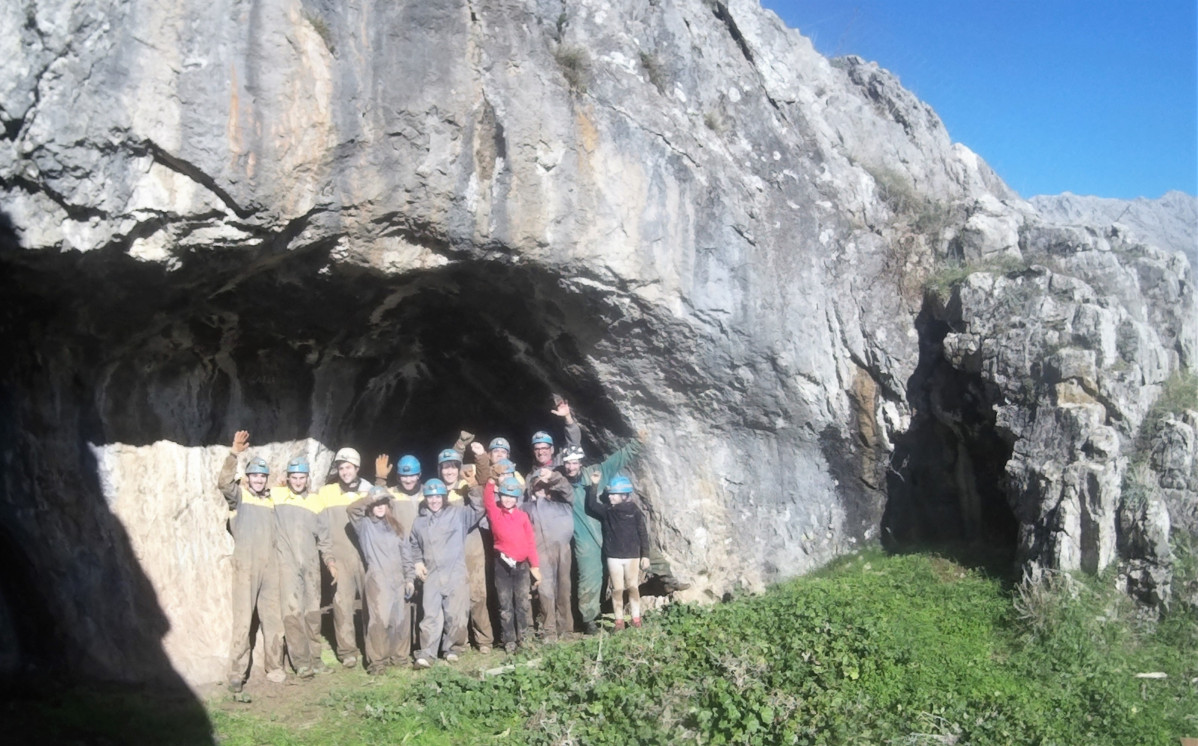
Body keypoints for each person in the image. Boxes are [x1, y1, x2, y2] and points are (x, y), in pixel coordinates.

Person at [217, 430, 286, 691]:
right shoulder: (240, 497)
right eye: (254, 475)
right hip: (245, 566)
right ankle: (236, 673)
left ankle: (275, 666)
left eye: (262, 476)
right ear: (247, 478)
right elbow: (224, 484)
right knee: (243, 620)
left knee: (273, 619)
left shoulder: (272, 500)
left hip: (271, 567)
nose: (258, 479)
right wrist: (234, 454)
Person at [408, 478, 485, 668]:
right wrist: (417, 562)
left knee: (456, 614)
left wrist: (474, 487)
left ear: (444, 497)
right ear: (425, 498)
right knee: (431, 615)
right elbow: (414, 544)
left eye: (437, 496)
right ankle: (427, 654)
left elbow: (479, 509)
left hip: (455, 572)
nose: (434, 500)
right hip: (432, 574)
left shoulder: (458, 514)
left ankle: (453, 649)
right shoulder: (419, 522)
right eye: (430, 497)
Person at [272, 456, 330, 678]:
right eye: (294, 477)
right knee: (293, 613)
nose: (297, 481)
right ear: (287, 478)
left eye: (302, 477)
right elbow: (254, 489)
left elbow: (324, 538)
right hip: (287, 564)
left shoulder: (316, 502)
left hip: (311, 565)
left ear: (308, 479)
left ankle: (316, 658)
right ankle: (302, 662)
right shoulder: (276, 496)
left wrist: (330, 561)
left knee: (313, 613)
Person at [348, 486, 415, 675]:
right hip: (377, 578)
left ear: (389, 505)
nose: (379, 506)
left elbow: (406, 554)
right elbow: (352, 510)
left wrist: (409, 578)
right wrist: (371, 498)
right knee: (379, 621)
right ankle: (378, 662)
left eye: (383, 502)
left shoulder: (397, 526)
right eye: (376, 503)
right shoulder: (365, 525)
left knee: (400, 620)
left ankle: (399, 657)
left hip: (399, 578)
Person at [316, 447, 371, 669]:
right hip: (339, 557)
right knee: (341, 605)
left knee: (372, 604)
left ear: (357, 468)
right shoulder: (326, 493)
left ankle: (372, 647)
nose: (345, 471)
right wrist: (328, 558)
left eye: (348, 467)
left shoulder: (368, 490)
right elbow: (321, 529)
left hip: (364, 557)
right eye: (341, 467)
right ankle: (347, 651)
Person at [516, 444, 575, 642]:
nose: (540, 487)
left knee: (564, 589)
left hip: (563, 550)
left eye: (543, 484)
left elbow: (567, 489)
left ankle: (566, 629)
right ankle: (549, 631)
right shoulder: (526, 507)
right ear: (531, 487)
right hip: (539, 551)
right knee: (545, 590)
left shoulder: (562, 502)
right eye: (537, 484)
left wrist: (553, 477)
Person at [440, 447, 494, 654]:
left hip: (472, 543)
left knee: (477, 594)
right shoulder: (435, 491)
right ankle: (459, 642)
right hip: (448, 549)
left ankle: (484, 640)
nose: (449, 471)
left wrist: (472, 484)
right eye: (445, 468)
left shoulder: (466, 485)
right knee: (454, 597)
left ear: (458, 468)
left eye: (453, 467)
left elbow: (480, 507)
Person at [586, 473, 650, 630]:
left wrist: (646, 555)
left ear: (624, 495)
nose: (610, 497)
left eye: (614, 494)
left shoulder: (634, 511)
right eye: (610, 494)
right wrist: (594, 486)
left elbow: (643, 533)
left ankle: (636, 619)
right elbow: (592, 505)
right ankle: (619, 622)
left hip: (632, 556)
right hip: (614, 556)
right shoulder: (608, 511)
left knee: (633, 587)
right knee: (617, 589)